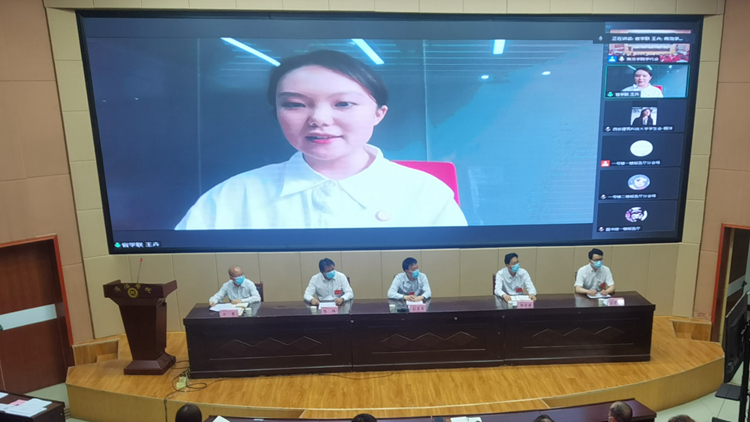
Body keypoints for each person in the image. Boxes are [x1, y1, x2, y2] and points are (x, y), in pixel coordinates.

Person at [176, 50, 467, 230]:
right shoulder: (233, 196)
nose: (319, 119)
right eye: (295, 104)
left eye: (343, 104)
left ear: (379, 113)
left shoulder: (425, 193)